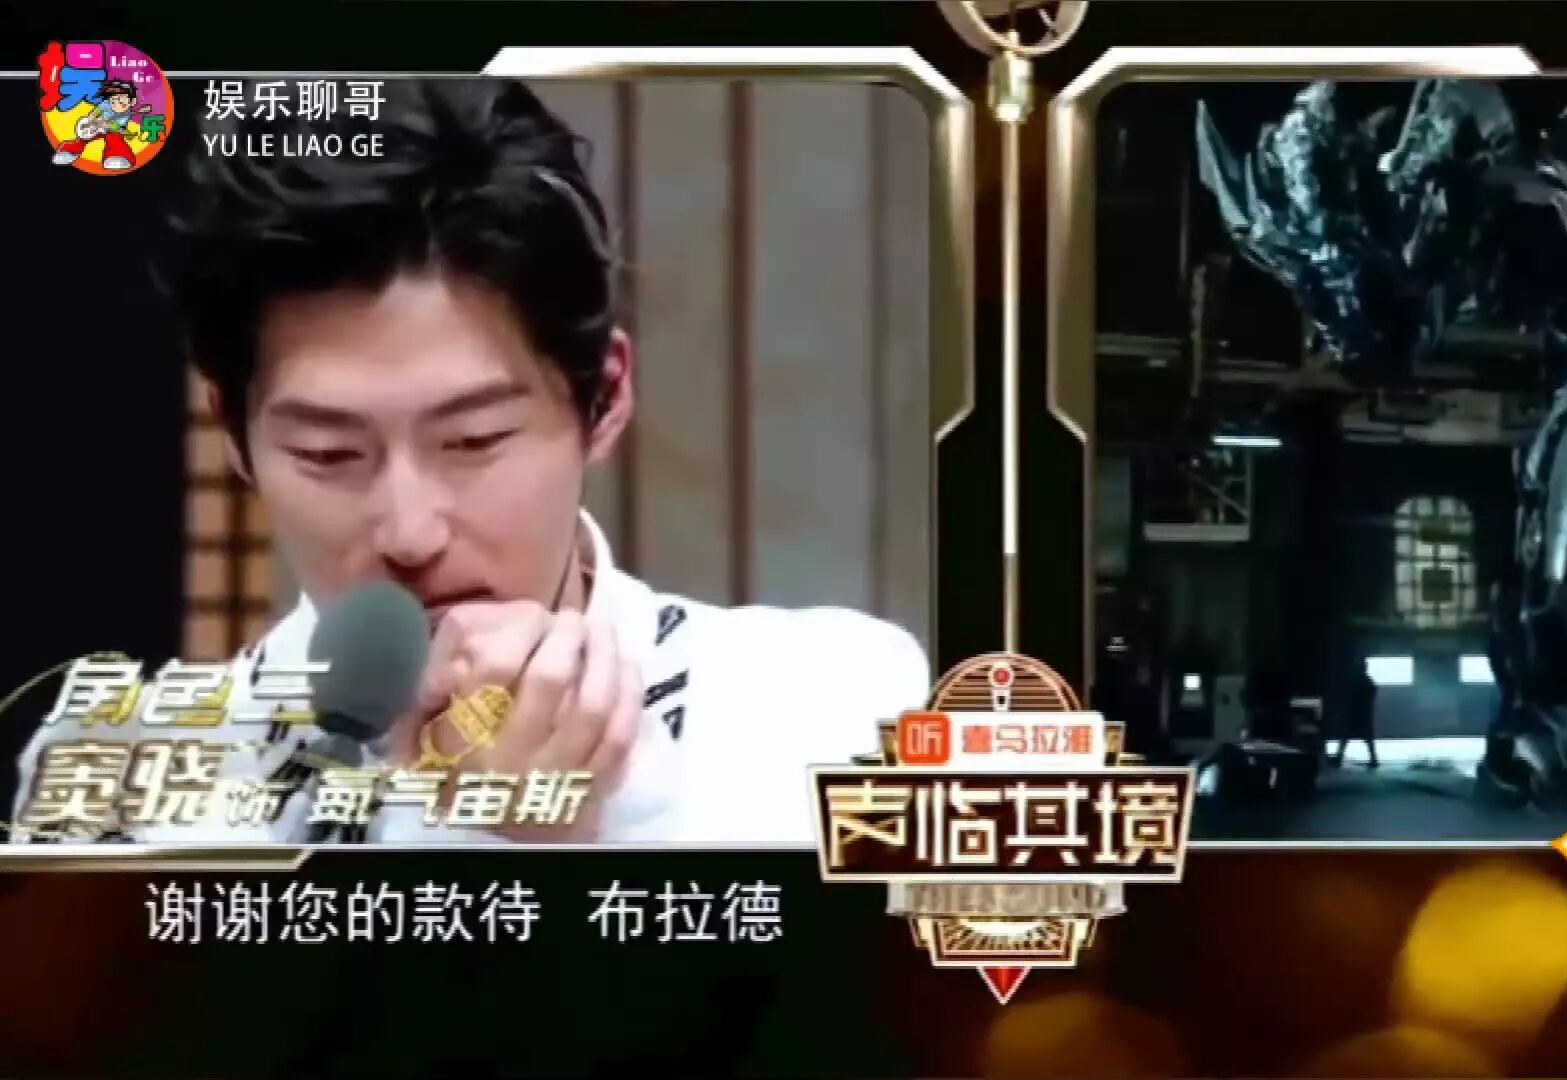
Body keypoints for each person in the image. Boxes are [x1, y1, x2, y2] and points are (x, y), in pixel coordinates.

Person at [10, 81, 928, 845]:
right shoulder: (117, 770)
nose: (410, 533)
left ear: (605, 397)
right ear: (234, 433)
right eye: (329, 452)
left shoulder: (828, 705)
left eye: (474, 441)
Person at [1331, 658, 1378, 768]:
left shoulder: (1355, 681)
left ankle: (1339, 758)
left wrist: (1343, 711)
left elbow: (1347, 697)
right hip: (1364, 714)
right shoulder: (1368, 682)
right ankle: (1373, 759)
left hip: (1354, 714)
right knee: (1367, 738)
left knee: (1345, 736)